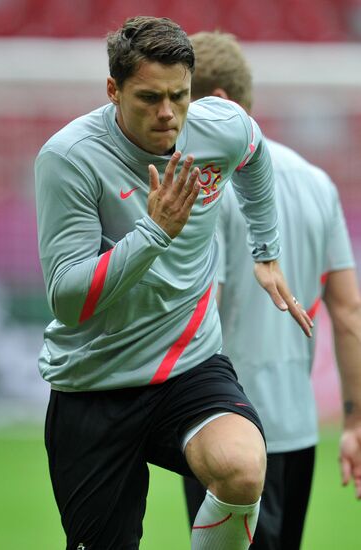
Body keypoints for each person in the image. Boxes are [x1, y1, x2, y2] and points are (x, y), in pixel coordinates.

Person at [35, 17, 313, 550]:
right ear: (113, 90)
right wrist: (153, 233)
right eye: (149, 97)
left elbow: (253, 149)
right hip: (95, 379)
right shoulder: (69, 158)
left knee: (243, 467)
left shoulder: (217, 125)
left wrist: (267, 253)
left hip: (188, 362)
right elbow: (68, 301)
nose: (168, 113)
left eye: (179, 96)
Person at [184, 31, 361, 550]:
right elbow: (349, 311)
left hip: (222, 428)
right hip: (298, 428)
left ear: (216, 102)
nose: (171, 120)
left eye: (181, 101)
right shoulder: (316, 182)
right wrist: (354, 422)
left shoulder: (206, 185)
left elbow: (201, 308)